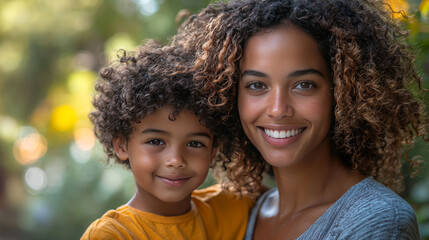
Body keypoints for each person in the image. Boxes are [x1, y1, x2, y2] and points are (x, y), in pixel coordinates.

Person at [172, 0, 428, 239]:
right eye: (257, 85)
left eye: (304, 85)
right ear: (230, 95)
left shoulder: (376, 220)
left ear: (343, 91)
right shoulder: (244, 213)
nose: (277, 109)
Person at [80, 42, 253, 240]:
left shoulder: (233, 206)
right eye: (155, 141)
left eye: (195, 144)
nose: (176, 159)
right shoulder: (112, 234)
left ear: (213, 151)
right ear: (121, 145)